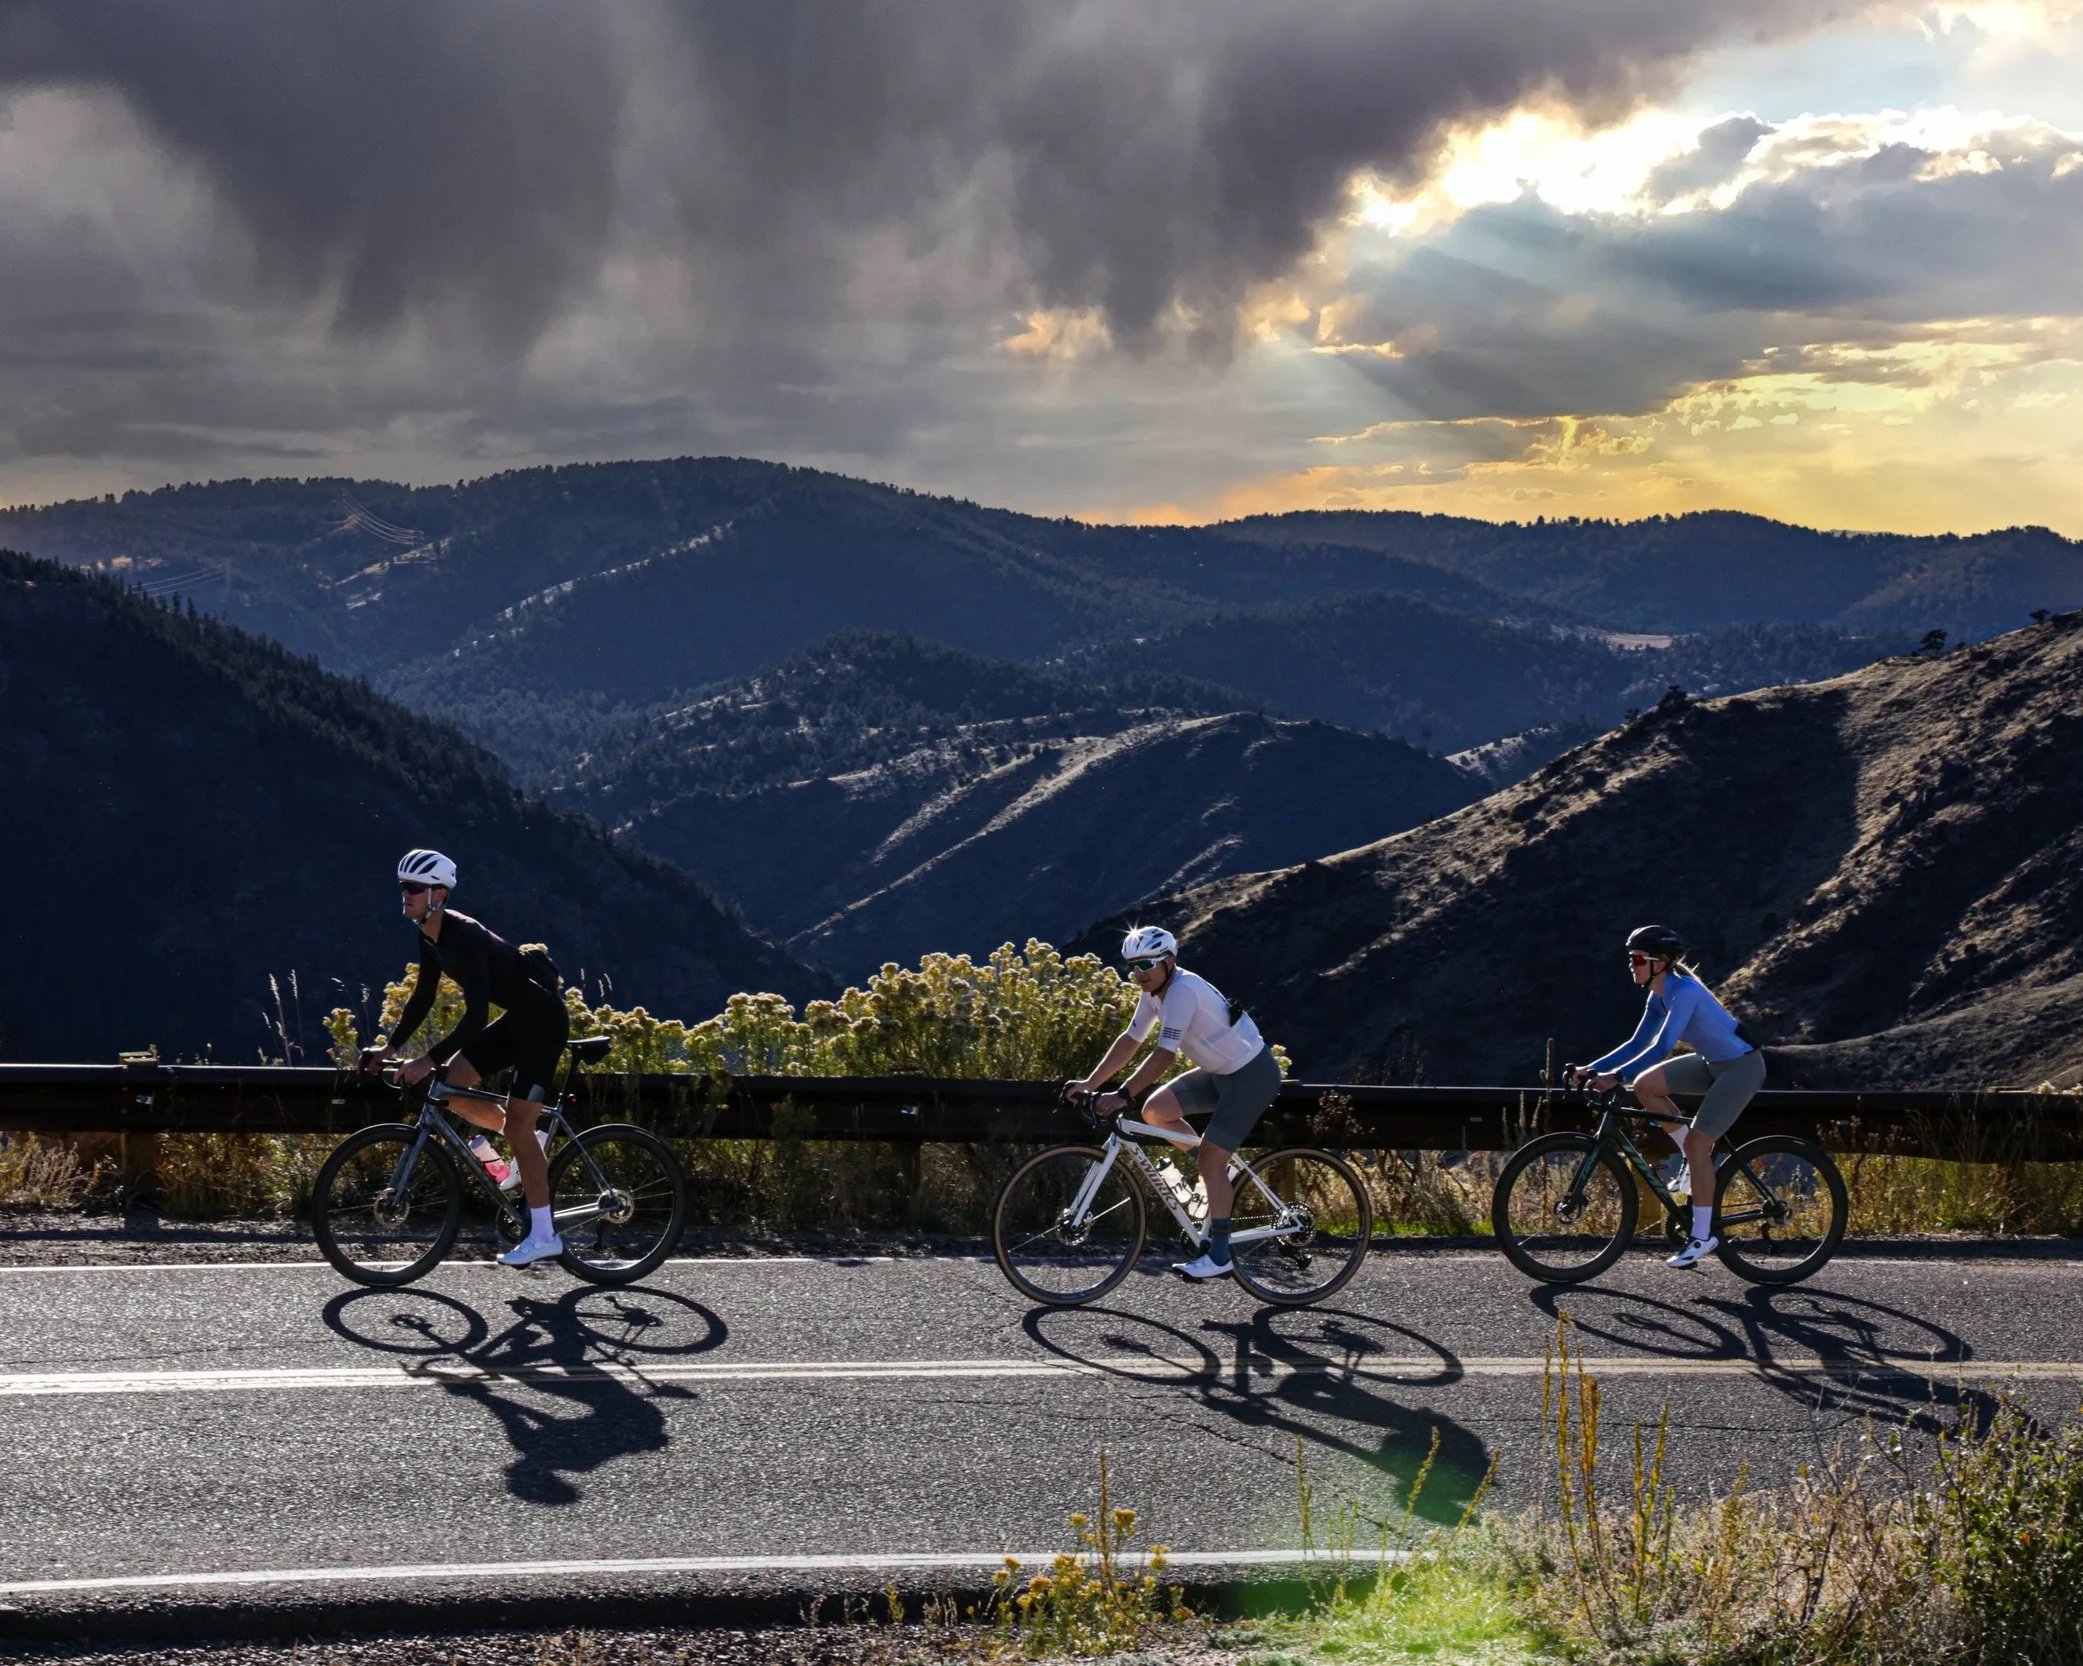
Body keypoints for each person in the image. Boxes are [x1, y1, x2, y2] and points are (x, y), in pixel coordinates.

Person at [364, 849, 571, 1267]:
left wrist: (426, 1060)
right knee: (452, 1089)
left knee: (516, 1124)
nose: (404, 894)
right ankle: (527, 1142)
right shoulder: (428, 933)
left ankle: (545, 1234)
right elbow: (422, 997)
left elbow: (476, 1016)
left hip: (544, 1024)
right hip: (519, 1019)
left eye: (413, 888)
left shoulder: (465, 936)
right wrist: (389, 1047)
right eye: (402, 886)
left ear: (438, 894)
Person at [1069, 926, 1281, 1282]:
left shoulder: (1181, 991)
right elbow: (1130, 1039)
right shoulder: (1154, 991)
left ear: (1168, 961)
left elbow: (1164, 1056)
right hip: (1219, 1074)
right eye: (1132, 968)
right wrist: (1091, 1083)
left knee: (1212, 1157)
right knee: (1156, 1112)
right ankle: (1217, 1177)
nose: (1138, 975)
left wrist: (1121, 1095)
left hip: (1251, 1077)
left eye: (1145, 965)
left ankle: (1219, 1255)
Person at [1568, 924, 1767, 1270]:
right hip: (1712, 1063)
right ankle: (1693, 1160)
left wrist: (1616, 1077)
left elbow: (1662, 1047)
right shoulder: (1658, 994)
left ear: (1659, 963)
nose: (1631, 965)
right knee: (1646, 1087)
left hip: (1741, 1068)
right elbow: (1635, 1045)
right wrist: (1590, 1069)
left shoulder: (1684, 991)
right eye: (1630, 959)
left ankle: (1703, 1235)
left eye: (1636, 959)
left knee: (1697, 1146)